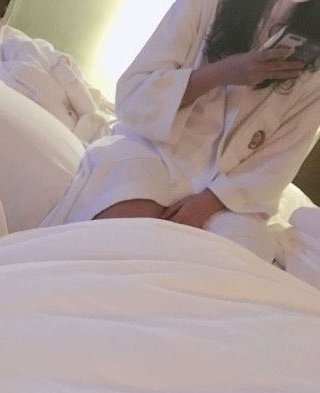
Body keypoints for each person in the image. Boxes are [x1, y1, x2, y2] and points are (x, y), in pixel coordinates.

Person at [43, 0, 320, 261]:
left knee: (235, 257)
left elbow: (285, 153)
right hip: (157, 149)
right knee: (128, 231)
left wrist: (210, 201)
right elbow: (135, 94)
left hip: (231, 192)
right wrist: (222, 73)